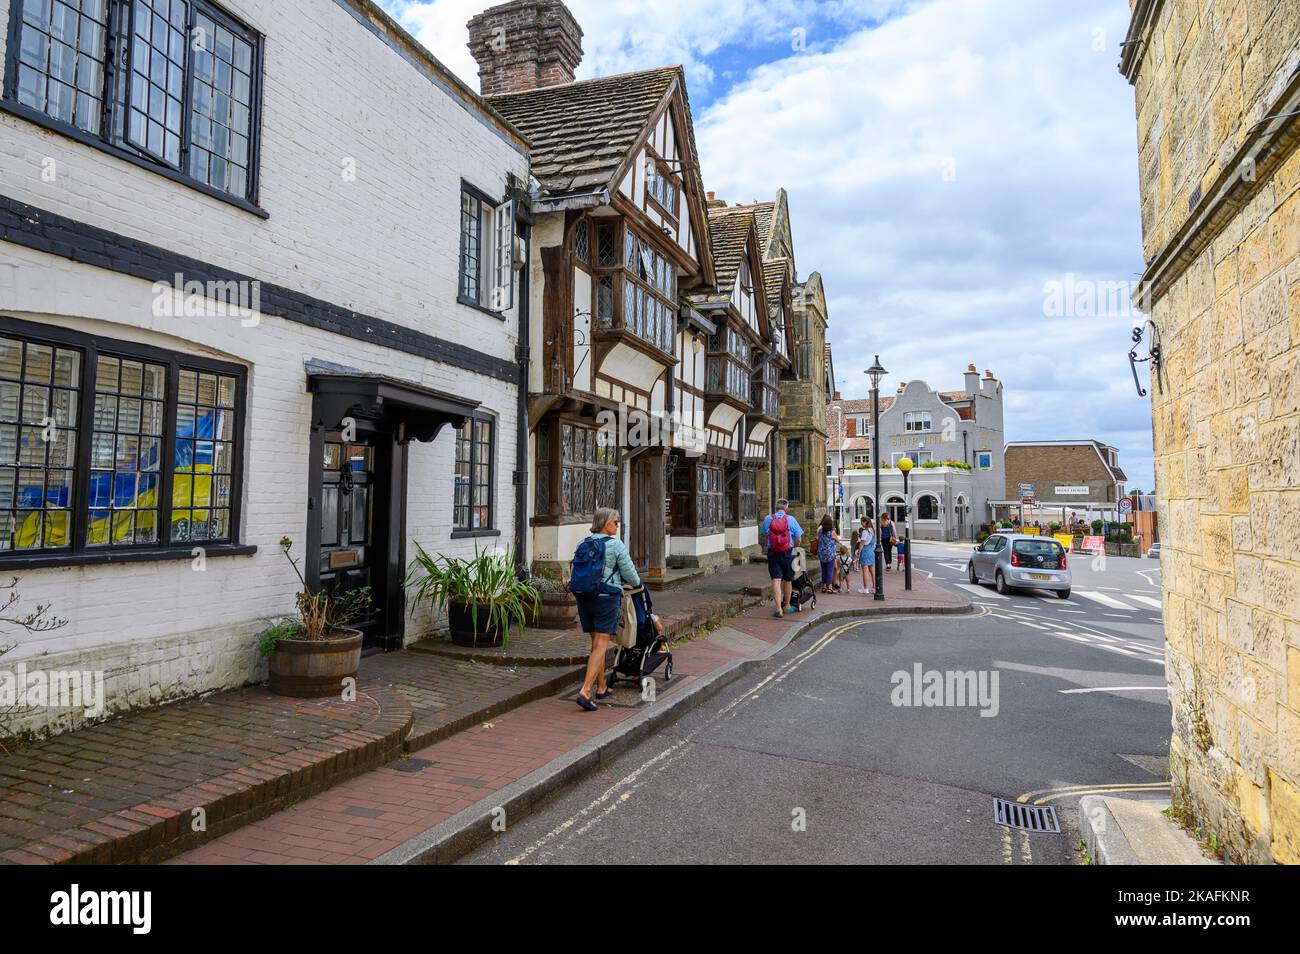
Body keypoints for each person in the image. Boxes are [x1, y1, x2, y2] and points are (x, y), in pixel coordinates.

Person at [571, 507, 640, 711]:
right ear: (604, 523)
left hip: (585, 598)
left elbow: (575, 569)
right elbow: (632, 576)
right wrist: (637, 584)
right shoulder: (616, 545)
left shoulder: (582, 543)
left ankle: (601, 687)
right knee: (602, 644)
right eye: (615, 522)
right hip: (606, 597)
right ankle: (585, 691)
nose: (617, 525)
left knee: (595, 644)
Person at [761, 499, 803, 618]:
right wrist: (794, 546)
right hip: (787, 552)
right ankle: (787, 606)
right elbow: (798, 538)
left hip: (773, 552)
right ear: (786, 509)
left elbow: (764, 535)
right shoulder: (791, 519)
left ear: (776, 508)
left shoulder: (768, 519)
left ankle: (778, 608)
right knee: (788, 579)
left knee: (776, 579)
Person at [815, 515, 839, 593]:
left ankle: (824, 586)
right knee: (829, 570)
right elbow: (838, 540)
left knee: (824, 570)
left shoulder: (820, 531)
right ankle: (830, 587)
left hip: (821, 553)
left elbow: (818, 539)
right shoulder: (832, 532)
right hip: (830, 554)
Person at [858, 518, 876, 595]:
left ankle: (865, 589)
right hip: (871, 551)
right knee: (872, 571)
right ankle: (874, 588)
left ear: (865, 522)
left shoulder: (865, 531)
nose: (861, 524)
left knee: (865, 571)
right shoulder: (872, 530)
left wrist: (859, 552)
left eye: (861, 522)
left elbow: (862, 543)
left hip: (865, 551)